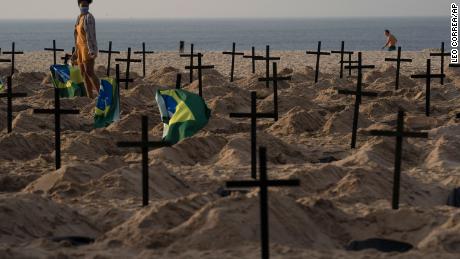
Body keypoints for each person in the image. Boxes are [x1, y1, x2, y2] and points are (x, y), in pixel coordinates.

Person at [71, 0, 99, 98]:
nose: (85, 7)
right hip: (80, 48)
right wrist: (75, 51)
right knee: (83, 73)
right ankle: (90, 96)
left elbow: (91, 35)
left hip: (87, 48)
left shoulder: (89, 17)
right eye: (83, 5)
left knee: (89, 71)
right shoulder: (79, 18)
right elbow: (77, 35)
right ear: (79, 5)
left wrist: (92, 51)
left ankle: (102, 95)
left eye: (86, 5)